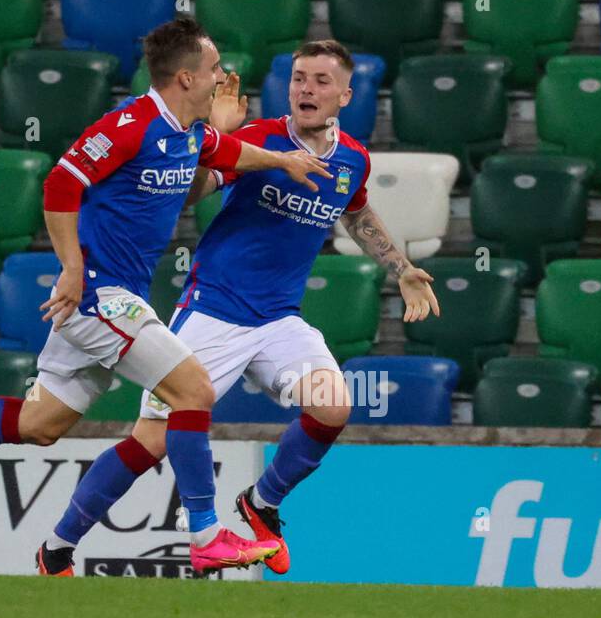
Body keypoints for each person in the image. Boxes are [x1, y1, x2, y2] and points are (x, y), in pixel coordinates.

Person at [0, 17, 332, 574]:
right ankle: (205, 535)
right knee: (193, 390)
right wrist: (72, 268)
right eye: (214, 68)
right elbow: (60, 182)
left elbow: (228, 154)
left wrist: (283, 160)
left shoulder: (186, 132)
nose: (222, 76)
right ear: (183, 78)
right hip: (98, 294)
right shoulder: (129, 124)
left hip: (116, 297)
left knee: (41, 425)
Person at [37, 39, 441, 576]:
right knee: (150, 443)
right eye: (299, 77)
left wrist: (401, 268)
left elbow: (356, 215)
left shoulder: (353, 160)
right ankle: (59, 547)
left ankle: (262, 504)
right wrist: (223, 136)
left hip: (279, 320)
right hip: (213, 310)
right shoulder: (258, 139)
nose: (307, 89)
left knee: (333, 406)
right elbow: (185, 193)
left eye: (321, 81)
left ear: (346, 94)